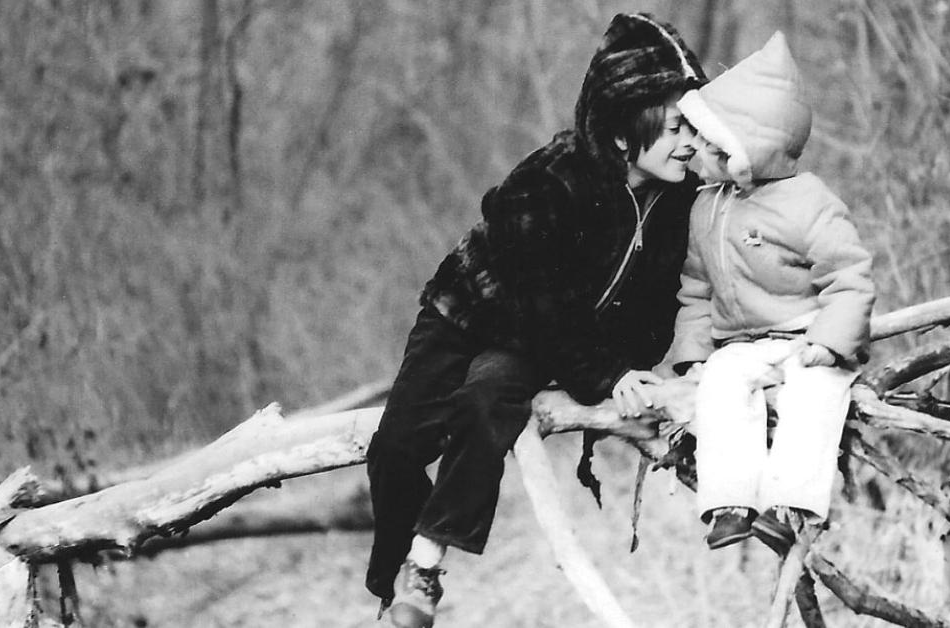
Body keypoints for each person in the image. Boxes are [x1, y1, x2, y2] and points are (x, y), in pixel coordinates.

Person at [364, 13, 706, 628]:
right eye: (678, 126)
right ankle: (392, 588)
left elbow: (658, 308)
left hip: (537, 343)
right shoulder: (553, 178)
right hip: (467, 313)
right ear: (628, 130)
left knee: (484, 402)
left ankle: (423, 574)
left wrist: (628, 369)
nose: (689, 141)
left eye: (695, 127)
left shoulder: (680, 201)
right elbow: (539, 298)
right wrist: (602, 374)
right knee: (395, 448)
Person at [658, 31, 875, 555]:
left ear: (743, 153)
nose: (695, 154)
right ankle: (732, 503)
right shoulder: (707, 208)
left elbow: (849, 277)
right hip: (743, 343)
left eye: (710, 147)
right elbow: (696, 289)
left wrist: (831, 341)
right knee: (723, 386)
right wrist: (694, 356)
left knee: (815, 392)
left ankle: (789, 507)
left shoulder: (808, 202)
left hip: (805, 335)